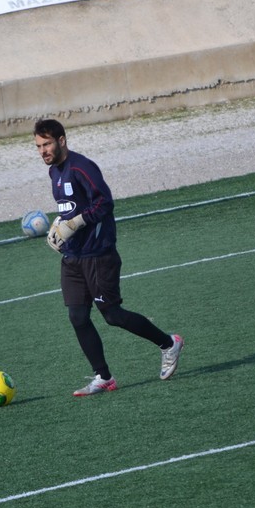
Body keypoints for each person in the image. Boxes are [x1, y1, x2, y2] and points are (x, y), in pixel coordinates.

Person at [33, 118, 183, 396]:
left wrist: (76, 222)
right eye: (39, 146)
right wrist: (59, 225)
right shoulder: (54, 172)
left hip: (98, 254)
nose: (43, 151)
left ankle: (168, 343)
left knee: (112, 315)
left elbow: (105, 203)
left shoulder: (82, 167)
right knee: (77, 316)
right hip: (73, 256)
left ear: (61, 141)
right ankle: (103, 377)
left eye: (47, 144)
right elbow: (71, 207)